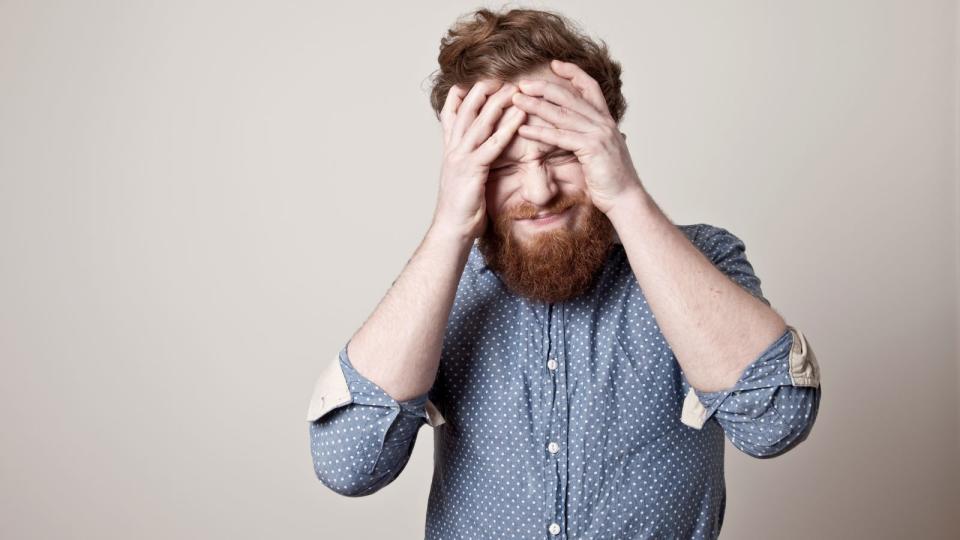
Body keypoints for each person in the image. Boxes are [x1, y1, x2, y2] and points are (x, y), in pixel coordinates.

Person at [307, 7, 821, 539]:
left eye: (562, 153)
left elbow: (774, 422)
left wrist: (624, 194)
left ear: (609, 140)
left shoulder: (703, 258)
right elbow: (349, 466)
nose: (539, 191)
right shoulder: (441, 289)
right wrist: (449, 226)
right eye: (503, 165)